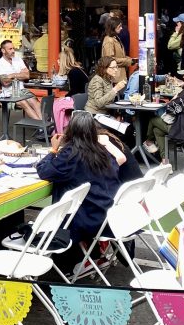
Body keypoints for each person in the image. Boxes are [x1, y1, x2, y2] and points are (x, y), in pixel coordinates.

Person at [35, 111, 125, 263]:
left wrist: (53, 150)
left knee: (63, 189)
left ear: (70, 131)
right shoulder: (102, 150)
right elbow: (118, 162)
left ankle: (76, 257)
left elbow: (44, 171)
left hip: (84, 219)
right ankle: (89, 256)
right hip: (106, 213)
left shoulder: (71, 153)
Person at [144, 63, 184, 155]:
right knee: (157, 131)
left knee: (153, 120)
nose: (183, 77)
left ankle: (148, 141)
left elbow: (171, 108)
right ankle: (164, 161)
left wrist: (172, 99)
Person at [0, 40, 42, 120]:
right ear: (3, 50)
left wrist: (12, 75)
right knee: (24, 103)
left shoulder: (18, 60)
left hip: (22, 90)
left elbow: (27, 75)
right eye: (10, 49)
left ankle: (43, 127)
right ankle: (42, 127)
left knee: (35, 102)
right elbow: (5, 82)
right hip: (8, 94)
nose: (13, 51)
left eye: (13, 48)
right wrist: (20, 74)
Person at [100, 18, 132, 84]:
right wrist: (127, 61)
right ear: (113, 27)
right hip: (114, 77)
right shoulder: (109, 40)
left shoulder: (116, 38)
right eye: (119, 26)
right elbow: (109, 60)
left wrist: (129, 59)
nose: (121, 28)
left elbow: (119, 55)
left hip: (119, 75)